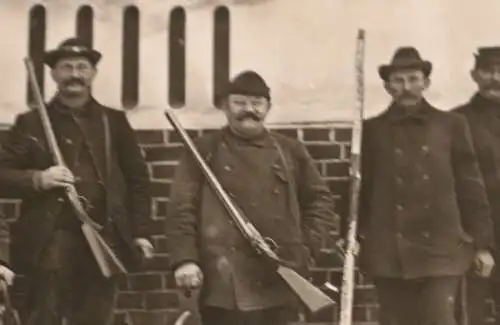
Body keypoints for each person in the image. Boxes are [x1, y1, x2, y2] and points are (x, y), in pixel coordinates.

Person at [0, 38, 154, 325]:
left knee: (96, 318)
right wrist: (38, 178)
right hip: (50, 242)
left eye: (82, 67)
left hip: (104, 238)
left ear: (93, 74)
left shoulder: (113, 121)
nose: (74, 74)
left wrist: (140, 232)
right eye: (66, 67)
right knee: (44, 317)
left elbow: (138, 181)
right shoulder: (31, 123)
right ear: (54, 74)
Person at [168, 70, 337, 325]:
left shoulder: (290, 150)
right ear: (225, 107)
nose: (249, 110)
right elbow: (182, 208)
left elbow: (320, 201)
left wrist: (307, 248)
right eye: (240, 103)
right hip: (225, 284)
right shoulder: (204, 150)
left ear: (268, 108)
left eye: (257, 103)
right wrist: (185, 260)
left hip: (280, 275)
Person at [358, 47, 494, 325]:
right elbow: (362, 190)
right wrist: (355, 235)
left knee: (439, 319)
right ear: (387, 86)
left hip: (441, 251)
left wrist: (482, 245)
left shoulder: (451, 125)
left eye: (413, 78)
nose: (406, 87)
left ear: (426, 83)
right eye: (398, 80)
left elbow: (471, 189)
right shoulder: (371, 130)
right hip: (389, 253)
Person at [453, 47, 500, 325]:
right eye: (488, 70)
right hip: (475, 241)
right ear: (474, 75)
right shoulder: (457, 122)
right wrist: (476, 243)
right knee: (472, 316)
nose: (496, 77)